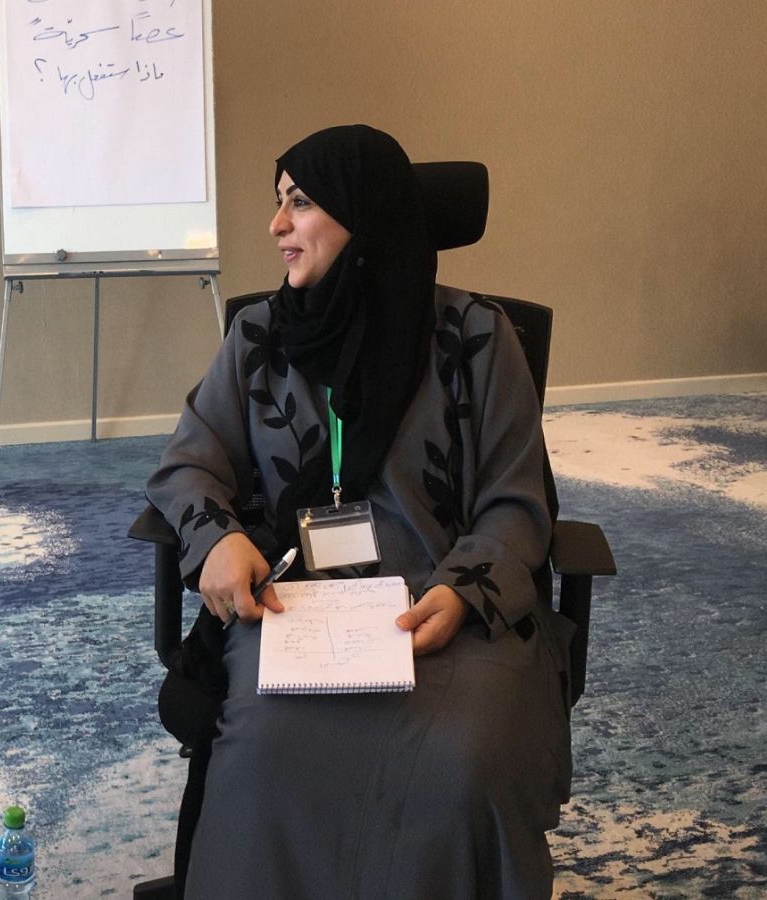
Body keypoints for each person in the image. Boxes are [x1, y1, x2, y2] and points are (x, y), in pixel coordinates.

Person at [145, 124, 573, 899]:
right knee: (264, 754)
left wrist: (463, 593)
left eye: (300, 203)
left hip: (441, 613)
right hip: (295, 607)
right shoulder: (260, 337)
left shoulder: (478, 340)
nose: (276, 225)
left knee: (463, 763)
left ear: (363, 215)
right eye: (278, 202)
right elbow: (189, 463)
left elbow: (517, 504)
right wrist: (218, 540)